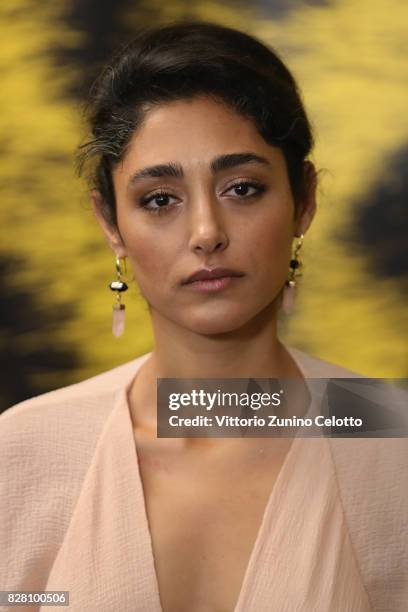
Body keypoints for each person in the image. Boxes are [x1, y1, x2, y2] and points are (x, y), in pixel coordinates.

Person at [1, 20, 407, 612]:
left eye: (242, 188)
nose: (206, 233)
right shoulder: (28, 450)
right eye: (160, 200)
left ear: (305, 200)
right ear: (111, 223)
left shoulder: (390, 430)